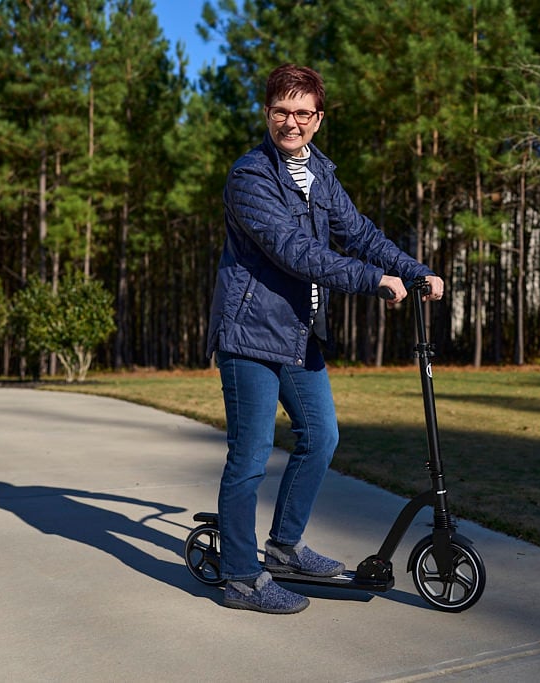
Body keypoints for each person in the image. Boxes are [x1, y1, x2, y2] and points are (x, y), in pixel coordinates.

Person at [205, 64, 444, 614]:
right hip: (249, 334)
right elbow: (295, 251)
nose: (291, 122)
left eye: (302, 113)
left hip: (297, 331)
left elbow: (358, 233)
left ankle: (284, 548)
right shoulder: (250, 177)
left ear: (318, 118)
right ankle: (240, 577)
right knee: (250, 456)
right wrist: (372, 280)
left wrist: (414, 270)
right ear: (267, 113)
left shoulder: (319, 173)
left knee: (321, 436)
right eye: (281, 111)